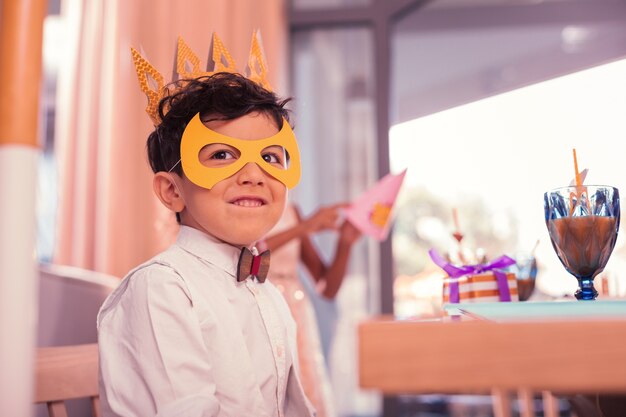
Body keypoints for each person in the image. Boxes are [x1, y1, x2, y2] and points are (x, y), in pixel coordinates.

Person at [97, 69, 316, 417]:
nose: (253, 175)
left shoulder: (267, 292)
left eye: (270, 157)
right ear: (172, 191)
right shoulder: (162, 289)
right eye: (222, 155)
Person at [260, 202, 362, 417]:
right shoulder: (246, 203)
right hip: (262, 304)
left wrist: (345, 243)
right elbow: (252, 255)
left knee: (305, 388)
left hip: (297, 310)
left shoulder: (292, 211)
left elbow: (327, 288)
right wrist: (304, 226)